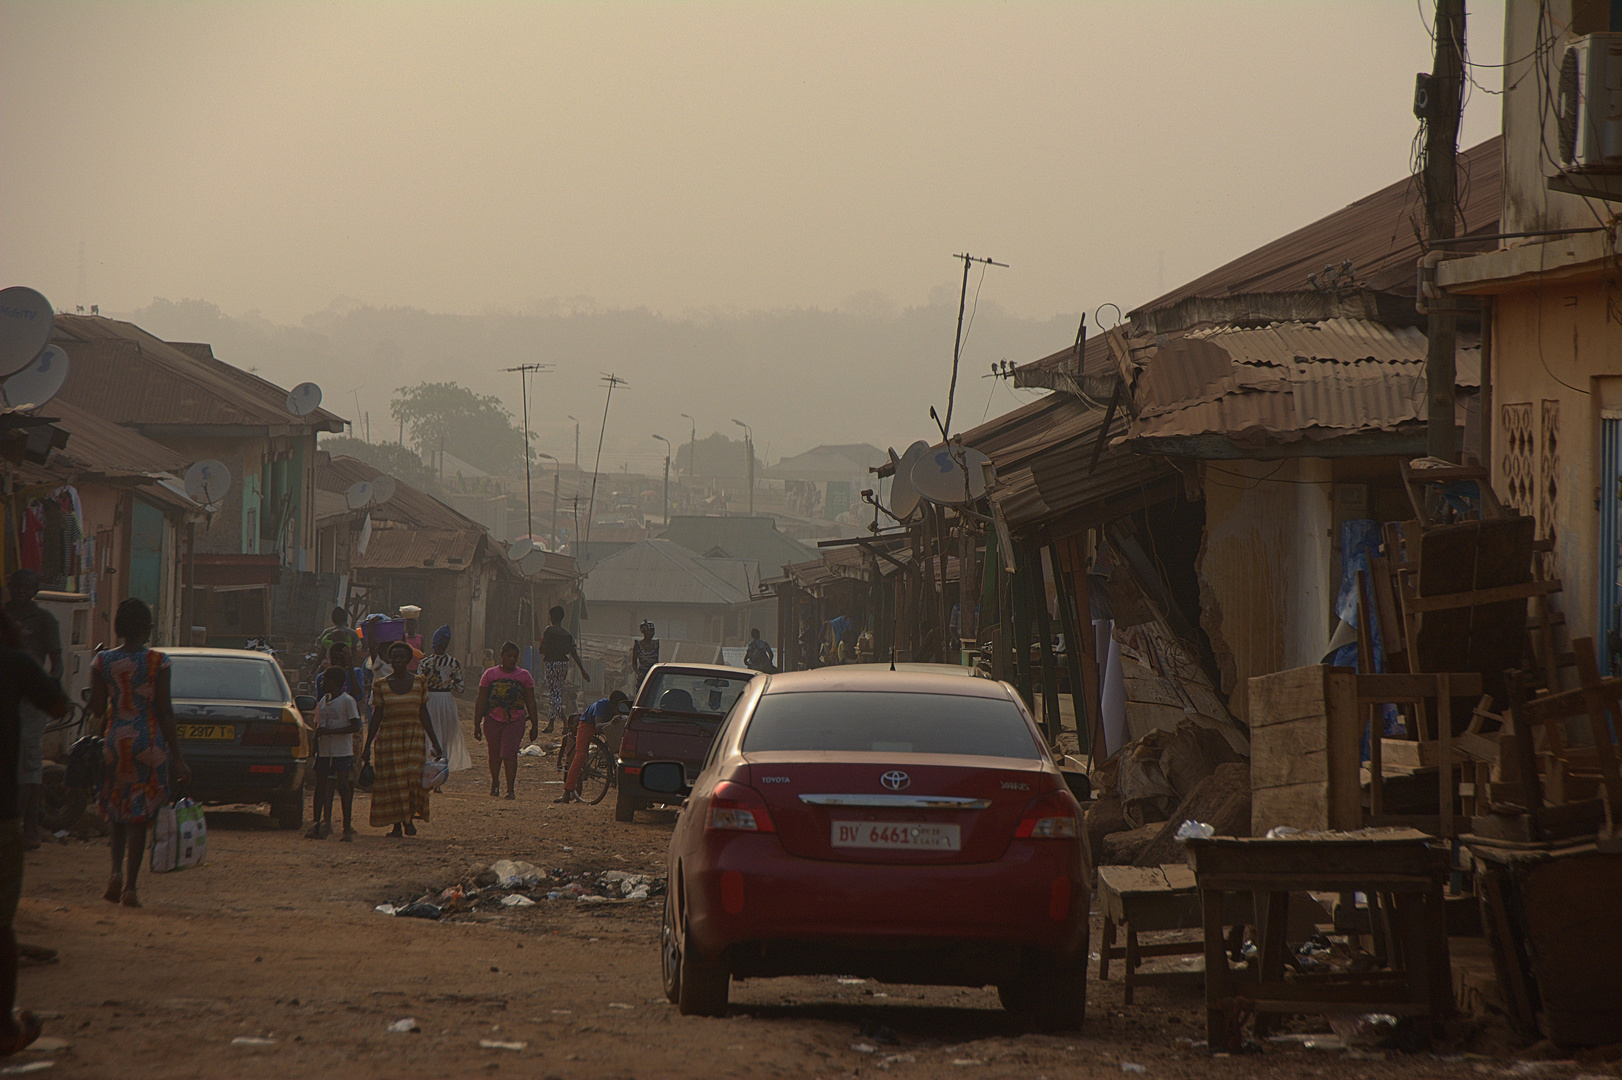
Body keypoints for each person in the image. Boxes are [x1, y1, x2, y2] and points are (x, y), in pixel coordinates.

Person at [89, 598, 189, 908]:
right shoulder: (158, 662)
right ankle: (131, 887)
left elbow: (95, 709)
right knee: (138, 815)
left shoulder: (101, 662)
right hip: (150, 743)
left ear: (119, 627)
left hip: (115, 741)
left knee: (116, 812)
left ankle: (115, 873)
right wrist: (178, 756)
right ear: (146, 628)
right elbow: (165, 711)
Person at [0, 605, 66, 1055]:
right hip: (1, 812)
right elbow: (59, 703)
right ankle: (5, 1028)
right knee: (1, 925)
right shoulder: (14, 661)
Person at [361, 641, 444, 838]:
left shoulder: (419, 682)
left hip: (414, 738)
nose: (397, 661)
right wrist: (367, 746)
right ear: (390, 660)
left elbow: (424, 714)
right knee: (394, 782)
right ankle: (399, 824)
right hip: (389, 740)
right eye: (394, 657)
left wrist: (435, 742)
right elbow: (377, 717)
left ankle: (408, 819)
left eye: (401, 657)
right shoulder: (380, 685)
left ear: (408, 660)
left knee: (412, 780)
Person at [4, 571, 61, 851]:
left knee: (28, 763)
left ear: (35, 591)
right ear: (9, 587)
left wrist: (47, 692)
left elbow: (56, 663)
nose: (21, 591)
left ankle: (28, 828)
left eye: (28, 587)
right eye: (17, 586)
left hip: (30, 703)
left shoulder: (45, 621)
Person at [473, 642, 537, 800]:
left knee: (509, 754)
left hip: (515, 720)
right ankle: (495, 784)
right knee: (494, 754)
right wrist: (476, 724)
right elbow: (481, 700)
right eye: (508, 656)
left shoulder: (524, 676)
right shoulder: (489, 675)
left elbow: (530, 701)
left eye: (515, 657)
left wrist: (534, 724)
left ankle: (510, 789)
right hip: (493, 719)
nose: (512, 659)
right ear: (501, 656)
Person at [306, 667, 359, 841]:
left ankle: (346, 828)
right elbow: (318, 726)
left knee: (343, 786)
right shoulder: (322, 702)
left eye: (325, 680)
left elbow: (355, 726)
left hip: (342, 751)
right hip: (325, 751)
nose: (322, 683)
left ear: (335, 682)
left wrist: (330, 732)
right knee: (320, 787)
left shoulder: (347, 701)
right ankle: (318, 824)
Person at [559, 690, 629, 804]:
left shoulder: (617, 708)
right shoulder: (601, 705)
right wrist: (611, 722)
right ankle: (567, 792)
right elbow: (598, 725)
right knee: (580, 756)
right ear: (612, 705)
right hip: (587, 725)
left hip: (606, 725)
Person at [419, 625, 470, 772]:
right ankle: (442, 771)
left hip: (429, 701)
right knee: (446, 737)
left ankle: (429, 769)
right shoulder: (453, 663)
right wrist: (448, 682)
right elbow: (460, 688)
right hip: (447, 700)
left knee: (430, 735)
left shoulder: (425, 663)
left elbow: (419, 684)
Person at [539, 606, 589, 735]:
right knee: (556, 693)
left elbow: (542, 649)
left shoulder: (548, 631)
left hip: (551, 663)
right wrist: (583, 670)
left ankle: (562, 723)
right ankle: (555, 723)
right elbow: (574, 653)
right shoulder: (567, 634)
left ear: (551, 618)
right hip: (563, 665)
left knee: (554, 693)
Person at [628, 620, 660, 688]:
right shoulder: (638, 645)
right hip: (642, 676)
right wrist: (639, 673)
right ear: (644, 632)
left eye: (653, 631)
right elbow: (634, 663)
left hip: (653, 675)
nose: (652, 633)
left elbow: (657, 660)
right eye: (650, 631)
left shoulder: (656, 644)